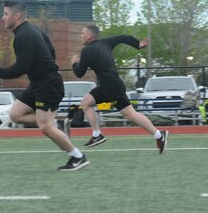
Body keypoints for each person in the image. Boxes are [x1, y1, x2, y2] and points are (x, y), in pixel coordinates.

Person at [0, 0, 89, 171]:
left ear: (16, 16)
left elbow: (21, 68)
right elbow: (51, 51)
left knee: (44, 126)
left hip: (47, 84)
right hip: (40, 82)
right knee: (15, 114)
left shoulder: (24, 36)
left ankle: (78, 157)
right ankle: (57, 124)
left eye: (5, 14)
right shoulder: (31, 30)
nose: (2, 18)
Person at [71, 25, 168, 153]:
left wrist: (74, 63)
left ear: (89, 36)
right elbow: (123, 38)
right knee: (85, 103)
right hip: (107, 86)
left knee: (130, 114)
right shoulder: (106, 43)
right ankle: (97, 135)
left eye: (82, 33)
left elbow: (79, 73)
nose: (81, 36)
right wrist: (138, 44)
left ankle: (159, 135)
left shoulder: (86, 51)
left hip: (112, 87)